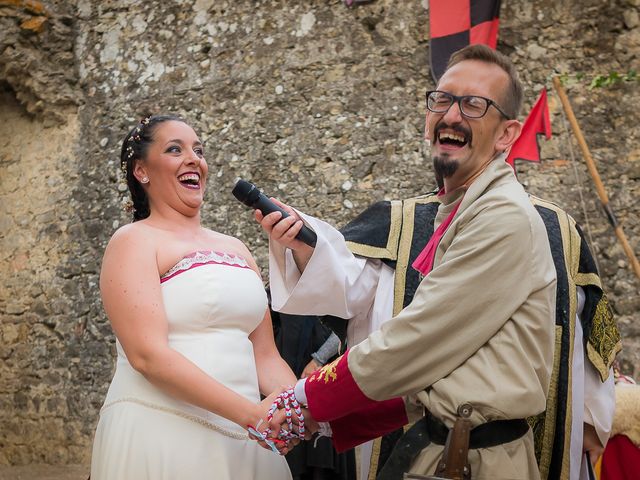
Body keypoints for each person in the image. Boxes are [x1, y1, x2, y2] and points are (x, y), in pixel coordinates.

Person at [257, 45, 621, 480]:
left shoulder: (502, 217)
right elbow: (449, 366)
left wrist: (302, 401)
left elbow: (420, 338)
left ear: (507, 134)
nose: (451, 115)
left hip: (473, 461)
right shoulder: (465, 211)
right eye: (443, 99)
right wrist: (330, 417)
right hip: (448, 448)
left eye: (473, 105)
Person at [90, 114, 296, 479]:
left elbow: (264, 354)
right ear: (142, 171)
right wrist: (252, 415)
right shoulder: (134, 241)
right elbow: (147, 356)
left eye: (199, 151)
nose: (194, 159)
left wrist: (295, 406)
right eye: (175, 149)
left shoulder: (236, 248)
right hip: (165, 431)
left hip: (248, 439)